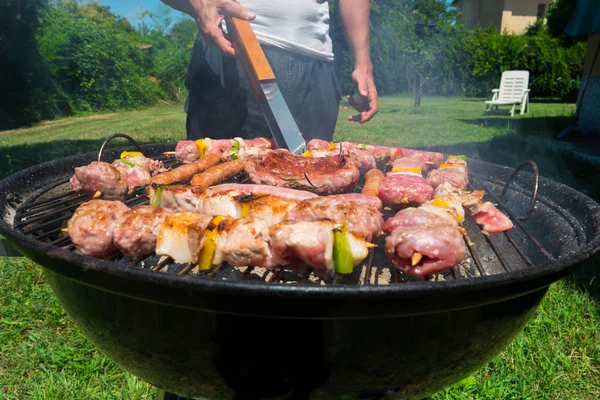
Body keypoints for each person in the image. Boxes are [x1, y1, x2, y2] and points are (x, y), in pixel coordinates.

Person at [161, 0, 378, 143]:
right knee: (214, 192)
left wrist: (363, 62)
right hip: (232, 49)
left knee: (313, 190)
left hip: (316, 65)